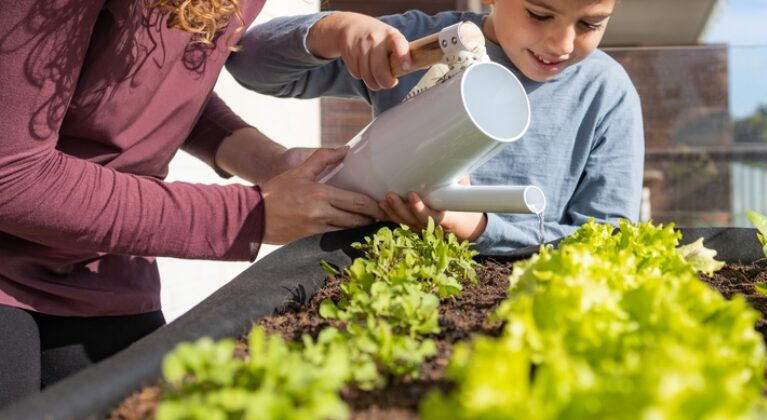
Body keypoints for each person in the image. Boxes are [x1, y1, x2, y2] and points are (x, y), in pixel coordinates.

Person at [0, 0, 385, 407]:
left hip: (103, 267)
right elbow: (13, 174)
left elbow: (149, 83)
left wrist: (271, 162)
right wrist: (249, 216)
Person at [226, 0, 645, 253]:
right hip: (386, 281)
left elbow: (608, 239)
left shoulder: (606, 93)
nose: (563, 44)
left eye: (590, 24)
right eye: (539, 14)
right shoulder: (423, 43)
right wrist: (333, 31)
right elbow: (247, 65)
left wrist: (478, 228)